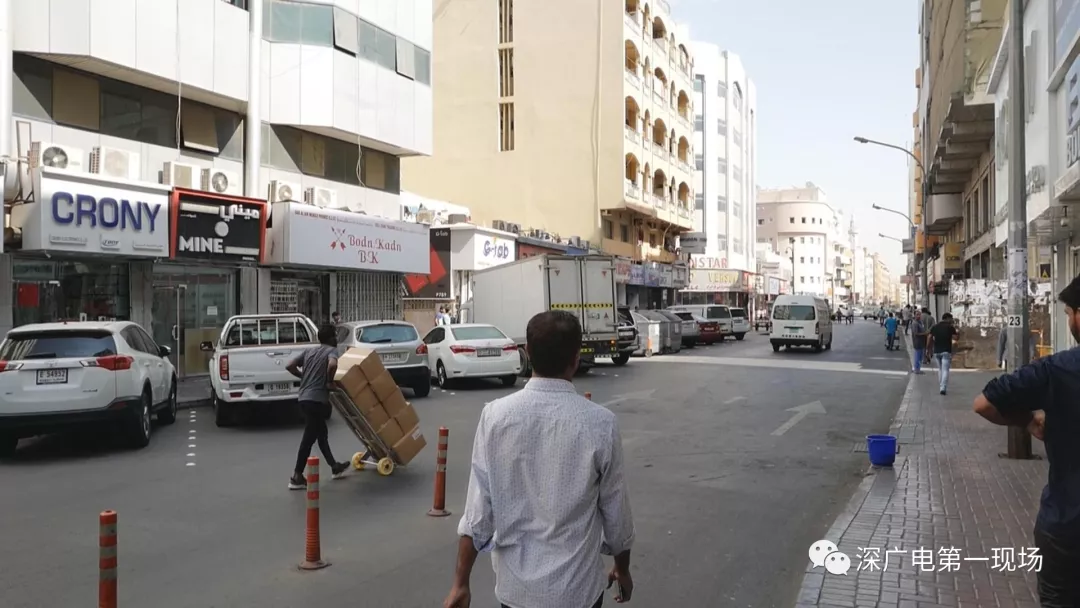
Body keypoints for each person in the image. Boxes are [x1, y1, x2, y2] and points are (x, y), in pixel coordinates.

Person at [444, 311, 635, 608]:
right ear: (576, 357)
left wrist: (460, 583)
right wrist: (622, 568)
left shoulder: (495, 416)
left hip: (517, 592)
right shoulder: (601, 423)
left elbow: (478, 513)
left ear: (528, 353)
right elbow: (616, 513)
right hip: (579, 591)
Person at [973, 274, 1080, 606]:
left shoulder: (1055, 370)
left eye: (1069, 314)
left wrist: (1029, 420)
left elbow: (984, 403)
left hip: (1067, 527)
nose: (1069, 322)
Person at [285, 324, 350, 490]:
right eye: (335, 335)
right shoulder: (331, 351)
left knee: (321, 434)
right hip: (316, 401)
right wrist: (329, 381)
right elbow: (332, 365)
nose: (337, 339)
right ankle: (296, 476)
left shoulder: (309, 351)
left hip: (304, 398)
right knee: (309, 438)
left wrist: (303, 376)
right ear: (330, 338)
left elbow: (290, 365)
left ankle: (334, 466)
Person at [926, 313, 958, 395]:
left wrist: (928, 348)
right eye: (951, 318)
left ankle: (941, 385)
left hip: (937, 351)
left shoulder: (935, 327)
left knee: (940, 369)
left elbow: (929, 337)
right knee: (945, 370)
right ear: (947, 318)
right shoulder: (950, 327)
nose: (952, 320)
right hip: (946, 351)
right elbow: (955, 338)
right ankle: (943, 387)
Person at [910, 310, 928, 374]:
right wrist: (924, 334)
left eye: (919, 314)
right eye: (917, 314)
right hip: (917, 342)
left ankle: (917, 368)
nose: (919, 316)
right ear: (914, 315)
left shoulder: (920, 322)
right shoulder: (915, 323)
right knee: (917, 356)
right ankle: (916, 369)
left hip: (921, 341)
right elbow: (916, 333)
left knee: (920, 356)